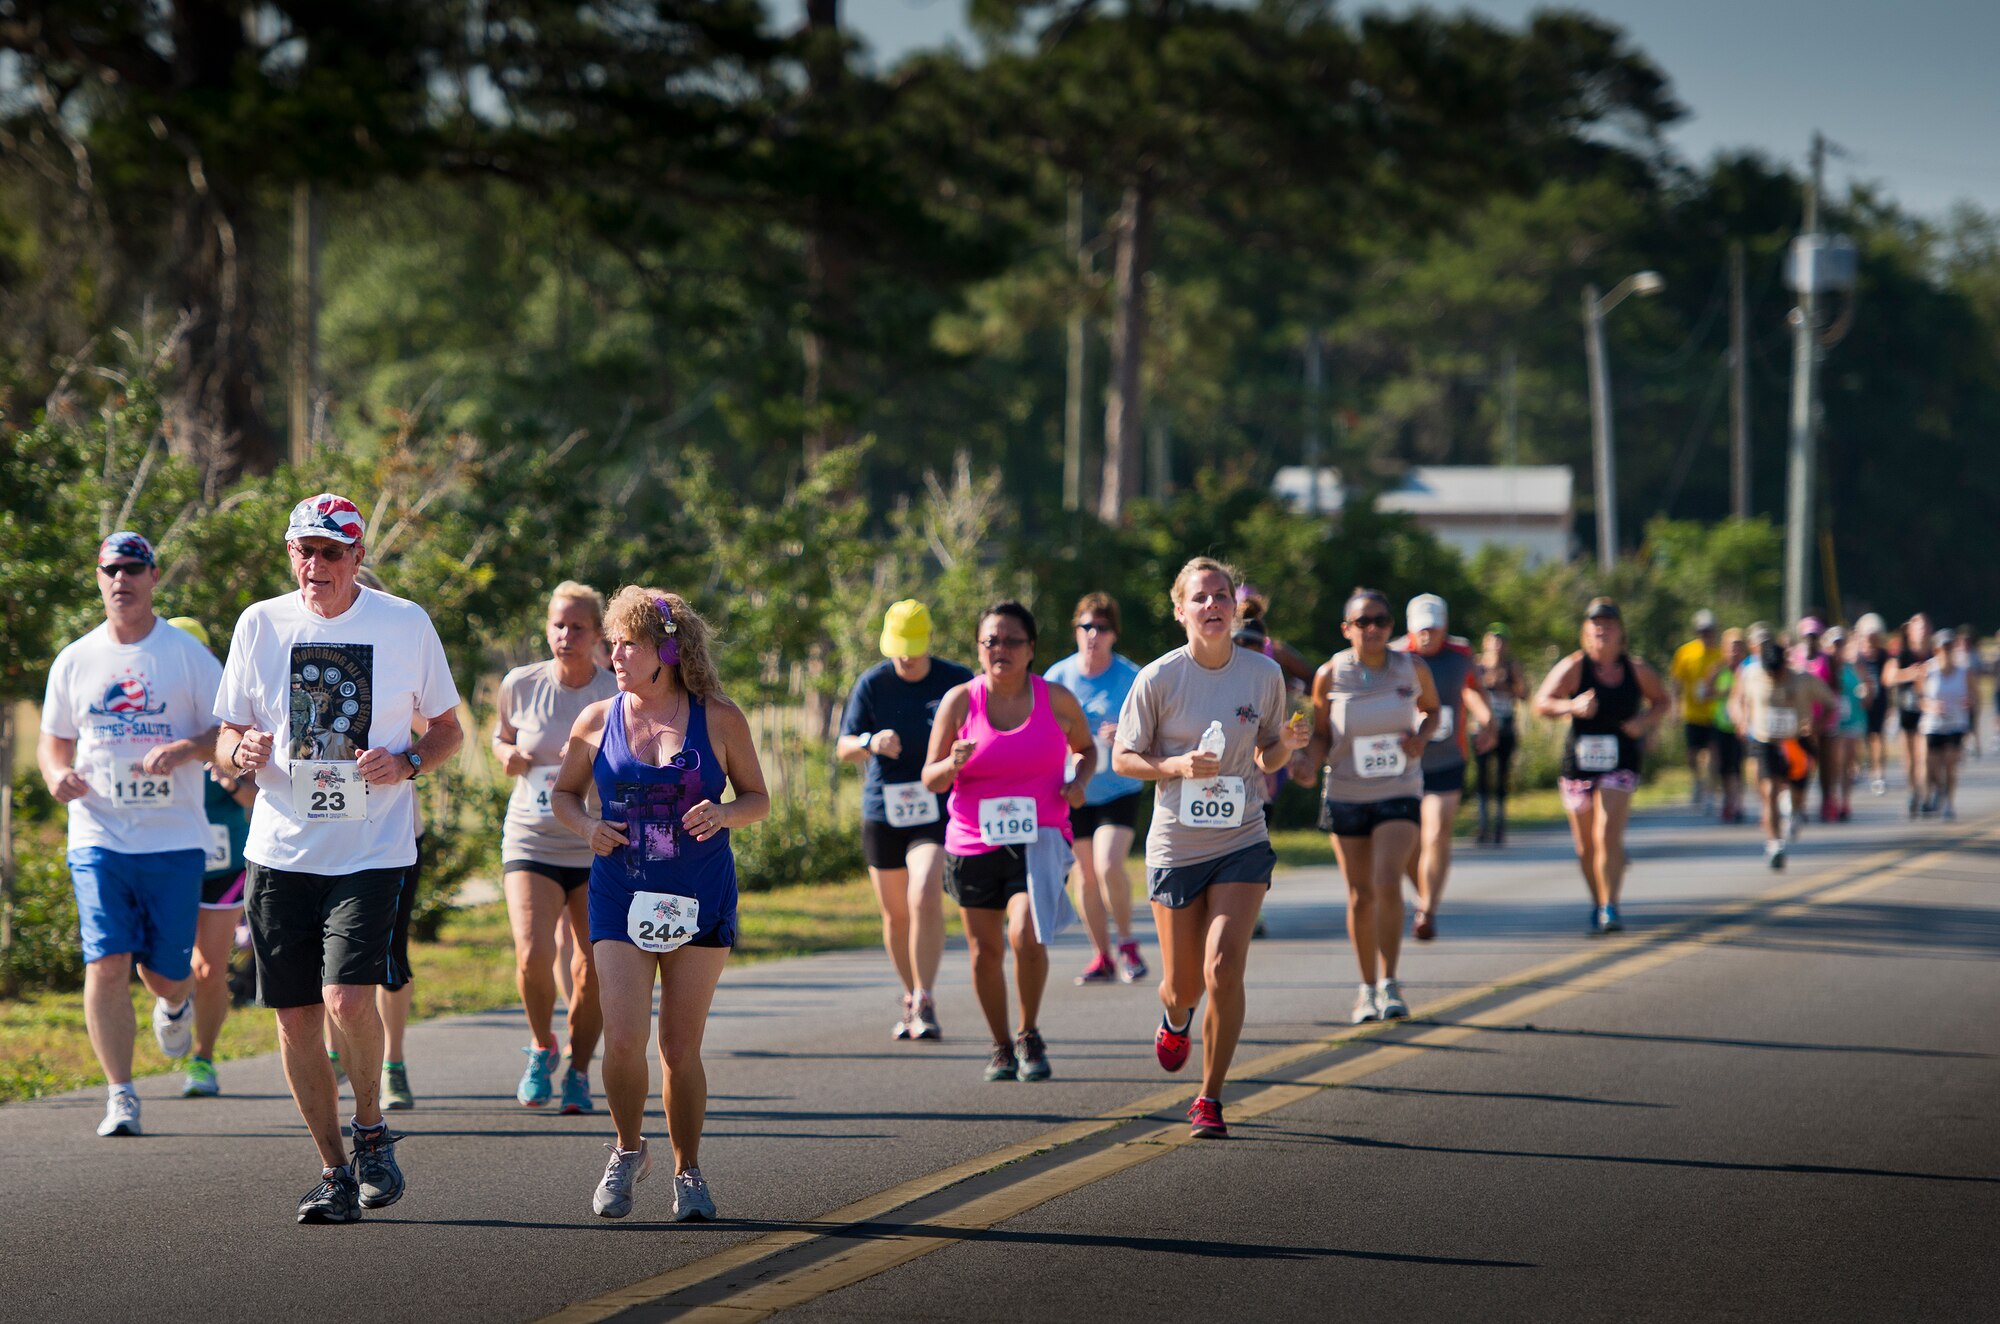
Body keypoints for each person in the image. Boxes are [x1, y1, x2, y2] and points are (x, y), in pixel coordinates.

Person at [215, 494, 464, 1223]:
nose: (314, 563)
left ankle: (372, 1131)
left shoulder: (404, 622)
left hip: (371, 847)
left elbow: (448, 730)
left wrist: (409, 761)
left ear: (357, 557)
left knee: (346, 1000)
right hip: (280, 849)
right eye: (303, 549)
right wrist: (242, 749)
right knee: (293, 1021)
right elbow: (227, 736)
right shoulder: (260, 623)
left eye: (330, 551)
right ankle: (333, 1172)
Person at [552, 589, 769, 1222]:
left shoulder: (720, 717)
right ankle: (626, 1150)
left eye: (629, 643)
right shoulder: (596, 719)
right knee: (623, 1039)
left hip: (698, 893)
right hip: (620, 890)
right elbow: (563, 795)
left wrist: (726, 811)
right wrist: (586, 827)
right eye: (611, 642)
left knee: (678, 1046)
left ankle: (688, 1170)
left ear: (667, 651)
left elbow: (759, 798)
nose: (613, 654)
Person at [38, 533, 223, 1137]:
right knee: (107, 961)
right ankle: (121, 1095)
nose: (123, 579)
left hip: (173, 838)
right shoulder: (76, 659)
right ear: (98, 578)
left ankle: (175, 1004)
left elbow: (227, 732)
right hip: (98, 834)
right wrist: (56, 774)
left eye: (134, 568)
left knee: (164, 971)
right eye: (112, 569)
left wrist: (187, 747)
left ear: (154, 576)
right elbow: (54, 739)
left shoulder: (186, 655)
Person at [1116, 558, 1304, 1139]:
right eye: (1200, 598)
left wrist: (1288, 748)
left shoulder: (1262, 674)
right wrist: (1176, 764)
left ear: (1236, 606)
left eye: (1222, 595)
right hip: (1176, 844)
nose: (1213, 605)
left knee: (1223, 966)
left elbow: (1265, 754)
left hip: (1242, 837)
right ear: (1180, 611)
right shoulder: (1159, 679)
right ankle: (1175, 1018)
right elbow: (1124, 758)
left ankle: (1210, 1097)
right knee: (1185, 985)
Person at [922, 602, 1095, 1084]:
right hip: (973, 844)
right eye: (991, 641)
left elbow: (1087, 749)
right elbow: (931, 779)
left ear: (1031, 649)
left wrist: (1078, 780)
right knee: (984, 952)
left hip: (1039, 838)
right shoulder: (960, 702)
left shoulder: (1055, 699)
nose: (1001, 650)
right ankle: (1000, 1045)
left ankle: (1028, 1032)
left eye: (1012, 641)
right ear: (979, 648)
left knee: (1025, 932)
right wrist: (953, 763)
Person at [494, 582, 619, 1111]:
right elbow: (501, 736)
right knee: (533, 953)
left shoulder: (614, 693)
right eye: (557, 625)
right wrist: (505, 755)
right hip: (531, 837)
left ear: (598, 636)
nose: (565, 636)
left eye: (577, 627)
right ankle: (542, 1046)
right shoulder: (520, 684)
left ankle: (580, 1070)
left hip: (595, 845)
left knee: (592, 966)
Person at [837, 600, 973, 1039]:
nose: (906, 657)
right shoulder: (873, 683)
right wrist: (872, 742)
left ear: (928, 641)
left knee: (924, 892)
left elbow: (985, 729)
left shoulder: (955, 681)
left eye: (913, 648)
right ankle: (910, 994)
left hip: (936, 807)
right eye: (899, 648)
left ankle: (928, 995)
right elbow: (844, 747)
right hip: (884, 809)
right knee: (895, 914)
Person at [1303, 588, 1439, 1024]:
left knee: (1386, 880)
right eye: (1363, 622)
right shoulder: (1329, 674)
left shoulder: (1411, 667)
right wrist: (1308, 760)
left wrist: (1421, 736)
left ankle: (1391, 981)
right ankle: (1366, 989)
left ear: (1391, 626)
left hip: (1399, 787)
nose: (1374, 628)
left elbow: (1433, 710)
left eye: (1381, 620)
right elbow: (1321, 732)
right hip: (1346, 792)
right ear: (1347, 630)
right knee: (1360, 895)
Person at [1532, 598, 1668, 934]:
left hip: (1620, 761)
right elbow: (1541, 703)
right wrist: (1573, 706)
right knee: (1586, 846)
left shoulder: (1636, 669)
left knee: (1605, 833)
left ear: (1621, 632)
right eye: (1596, 624)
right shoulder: (1575, 667)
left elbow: (1663, 700)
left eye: (1608, 624)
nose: (1602, 629)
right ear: (1586, 632)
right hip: (1578, 764)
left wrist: (1644, 722)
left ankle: (1611, 906)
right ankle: (1598, 901)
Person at [164, 617, 258, 1099]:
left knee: (209, 968)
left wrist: (232, 779)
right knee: (166, 967)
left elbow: (257, 800)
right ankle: (173, 1005)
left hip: (223, 864)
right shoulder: (156, 720)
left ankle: (202, 1060)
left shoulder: (232, 719)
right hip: (169, 856)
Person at [1045, 592, 1148, 985]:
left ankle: (1127, 943)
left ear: (1113, 635)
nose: (1093, 635)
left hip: (1119, 787)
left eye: (1101, 628)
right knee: (1084, 874)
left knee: (1108, 864)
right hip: (1073, 789)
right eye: (1086, 626)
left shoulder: (1131, 677)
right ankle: (1100, 955)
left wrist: (1126, 734)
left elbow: (1151, 733)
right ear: (1076, 630)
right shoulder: (1057, 677)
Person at [1395, 594, 1493, 941]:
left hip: (1447, 759)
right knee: (1409, 840)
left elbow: (1474, 690)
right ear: (1410, 629)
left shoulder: (1460, 655)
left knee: (1436, 832)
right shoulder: (1393, 656)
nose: (1427, 635)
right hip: (1403, 764)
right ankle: (1425, 893)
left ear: (1445, 627)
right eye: (1421, 629)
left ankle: (1427, 910)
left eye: (1433, 629)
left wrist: (1488, 721)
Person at [1730, 626, 1837, 868]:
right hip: (1766, 740)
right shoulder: (1750, 675)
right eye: (1769, 672)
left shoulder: (1804, 679)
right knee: (1769, 792)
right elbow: (1737, 699)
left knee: (1797, 791)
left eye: (1777, 672)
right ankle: (1774, 844)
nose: (1773, 677)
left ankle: (1796, 810)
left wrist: (1817, 726)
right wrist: (1740, 719)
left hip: (1797, 741)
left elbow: (1830, 703)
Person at [1474, 624, 1527, 846]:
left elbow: (1524, 694)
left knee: (1502, 778)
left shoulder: (1511, 666)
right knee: (1482, 777)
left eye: (1501, 640)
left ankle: (1500, 825)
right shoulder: (1477, 666)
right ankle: (1482, 825)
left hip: (1505, 729)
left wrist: (1510, 681)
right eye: (1492, 639)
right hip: (1480, 730)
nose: (1496, 645)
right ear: (1485, 642)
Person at [1669, 609, 1724, 811]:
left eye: (1709, 630)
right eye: (1702, 630)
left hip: (1714, 712)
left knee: (1712, 753)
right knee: (1692, 754)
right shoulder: (1685, 652)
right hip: (1692, 712)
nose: (1706, 634)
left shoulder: (1721, 653)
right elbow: (1676, 682)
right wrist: (1674, 708)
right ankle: (1697, 781)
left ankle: (1710, 791)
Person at [1917, 629, 1972, 820]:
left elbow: (1973, 696)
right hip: (1933, 723)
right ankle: (1938, 790)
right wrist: (1932, 706)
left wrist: (1968, 703)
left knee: (1950, 764)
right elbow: (1920, 699)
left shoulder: (1963, 671)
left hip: (1956, 723)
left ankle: (1949, 803)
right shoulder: (1928, 670)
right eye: (1943, 647)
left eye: (1950, 647)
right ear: (1936, 649)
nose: (1947, 651)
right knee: (1930, 765)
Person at [1883, 614, 1935, 815]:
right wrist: (1911, 674)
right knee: (1909, 758)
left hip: (1928, 712)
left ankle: (1925, 794)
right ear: (1910, 631)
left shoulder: (1934, 653)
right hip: (1906, 710)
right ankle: (1912, 791)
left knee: (1924, 757)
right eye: (1917, 627)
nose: (1921, 631)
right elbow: (1888, 678)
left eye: (1924, 627)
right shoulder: (1902, 654)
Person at [1825, 626, 1870, 823]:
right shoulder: (1824, 667)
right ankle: (1831, 800)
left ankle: (1844, 802)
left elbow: (1868, 691)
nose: (1838, 649)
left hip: (1852, 721)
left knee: (1847, 764)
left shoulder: (1854, 667)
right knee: (1833, 765)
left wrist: (1866, 691)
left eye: (1841, 644)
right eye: (1835, 645)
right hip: (1831, 722)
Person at [1709, 629, 1748, 825]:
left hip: (1741, 726)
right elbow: (1706, 691)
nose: (1734, 651)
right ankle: (1728, 800)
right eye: (1731, 647)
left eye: (1738, 647)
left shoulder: (1748, 669)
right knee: (1724, 767)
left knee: (1738, 765)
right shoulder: (1719, 669)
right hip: (1721, 724)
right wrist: (1718, 689)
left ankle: (1738, 803)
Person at [1852, 613, 1891, 796]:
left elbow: (1888, 682)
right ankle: (1857, 768)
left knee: (1877, 738)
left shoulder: (1884, 656)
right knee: (1859, 738)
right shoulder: (1857, 658)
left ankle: (1878, 774)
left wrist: (1891, 706)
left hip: (1879, 702)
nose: (1870, 640)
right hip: (1859, 704)